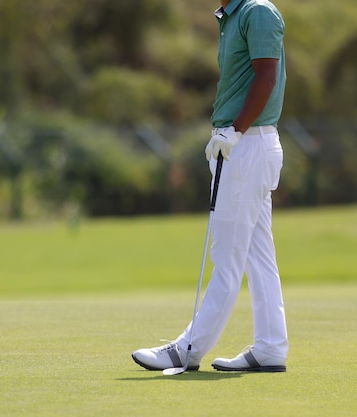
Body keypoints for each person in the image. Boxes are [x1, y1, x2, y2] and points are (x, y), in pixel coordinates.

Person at [132, 0, 289, 372]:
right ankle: (270, 346)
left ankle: (187, 349)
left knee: (227, 256)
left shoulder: (257, 12)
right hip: (243, 144)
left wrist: (234, 131)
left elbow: (267, 76)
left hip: (245, 145)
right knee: (258, 255)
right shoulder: (231, 16)